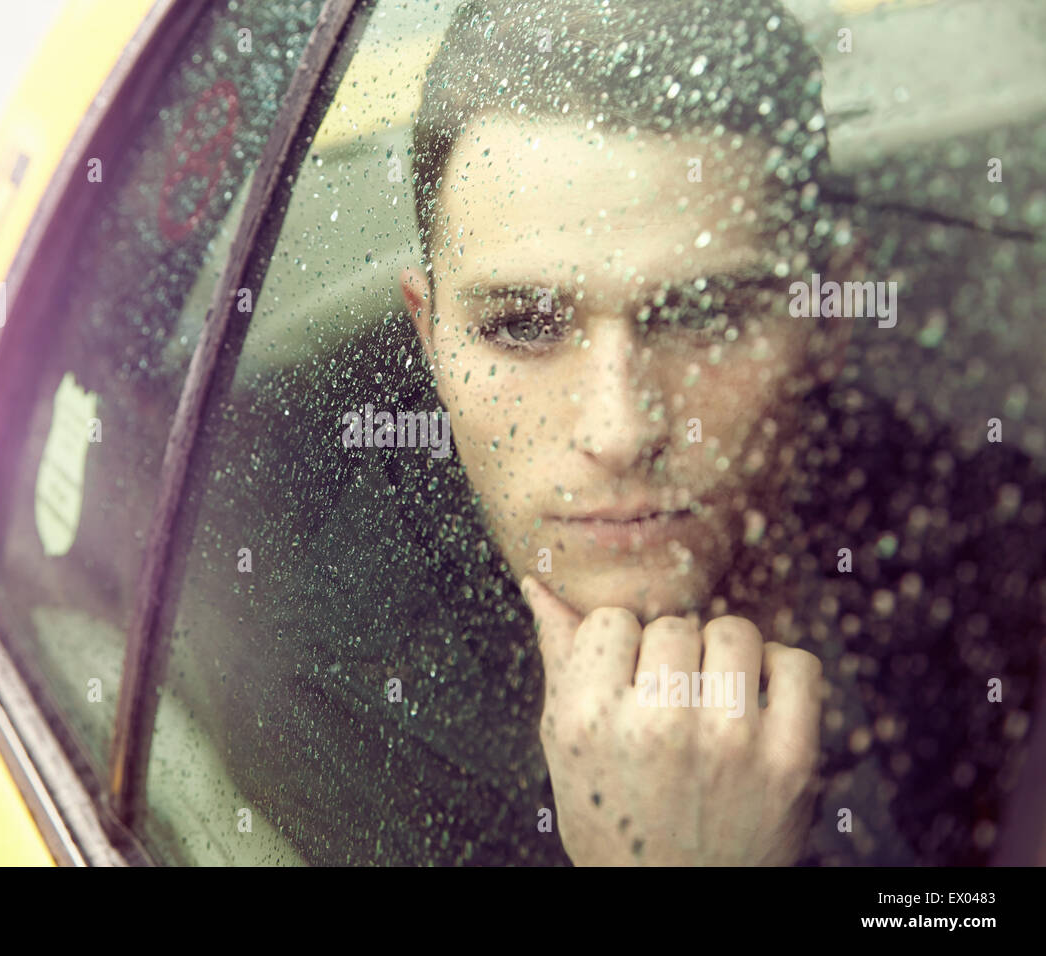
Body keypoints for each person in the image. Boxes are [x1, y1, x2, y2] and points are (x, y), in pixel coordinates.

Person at [187, 0, 1043, 866]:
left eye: (703, 316)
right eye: (524, 325)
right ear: (431, 336)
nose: (621, 430)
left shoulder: (991, 551)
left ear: (827, 318)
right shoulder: (332, 699)